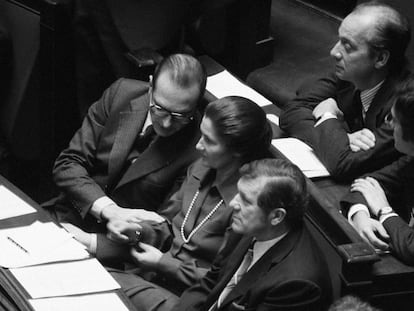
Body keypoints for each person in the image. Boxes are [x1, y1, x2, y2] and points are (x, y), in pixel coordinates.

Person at [107, 96, 272, 311]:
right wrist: (138, 231)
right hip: (149, 277)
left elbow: (222, 279)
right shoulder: (199, 169)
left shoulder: (244, 204)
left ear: (237, 151)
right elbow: (169, 227)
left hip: (188, 299)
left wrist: (163, 264)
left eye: (209, 141)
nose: (198, 145)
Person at [44, 54, 205, 255]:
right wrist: (109, 210)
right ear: (151, 84)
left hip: (121, 250)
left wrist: (92, 243)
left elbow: (166, 229)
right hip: (69, 215)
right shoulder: (121, 94)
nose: (166, 123)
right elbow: (68, 164)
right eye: (160, 109)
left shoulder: (199, 147)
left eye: (180, 116)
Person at [172, 158, 332, 311]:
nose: (233, 204)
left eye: (246, 201)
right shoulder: (248, 226)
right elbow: (209, 284)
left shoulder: (297, 284)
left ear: (276, 216)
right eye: (238, 193)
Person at [279, 1, 411, 181]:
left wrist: (327, 118)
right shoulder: (350, 74)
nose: (334, 52)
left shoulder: (403, 106)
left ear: (380, 58)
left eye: (347, 46)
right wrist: (340, 139)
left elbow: (344, 164)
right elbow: (293, 110)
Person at [342, 77, 414, 264]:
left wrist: (384, 212)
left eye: (394, 120)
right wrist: (360, 215)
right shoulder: (410, 160)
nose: (389, 124)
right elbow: (369, 183)